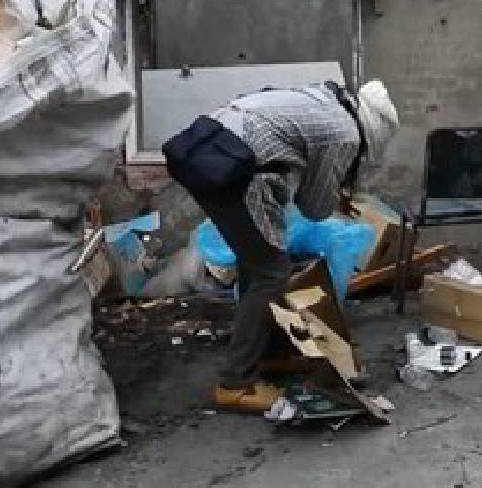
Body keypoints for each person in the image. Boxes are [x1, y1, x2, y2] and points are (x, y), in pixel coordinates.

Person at [163, 79, 399, 412]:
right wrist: (337, 195)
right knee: (272, 273)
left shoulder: (323, 98)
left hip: (208, 153)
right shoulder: (345, 133)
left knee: (255, 263)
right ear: (371, 134)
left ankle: (262, 354)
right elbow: (314, 207)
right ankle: (236, 384)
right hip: (238, 170)